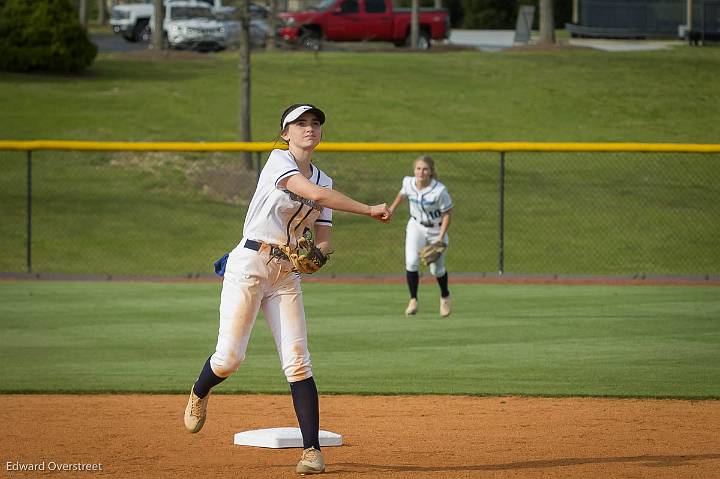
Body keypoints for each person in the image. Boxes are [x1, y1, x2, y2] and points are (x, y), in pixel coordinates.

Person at [183, 104, 391, 475]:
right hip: (249, 264)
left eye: (314, 123)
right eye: (300, 123)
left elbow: (324, 239)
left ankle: (312, 452)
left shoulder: (325, 179)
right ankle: (200, 391)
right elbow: (316, 195)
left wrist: (316, 257)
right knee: (230, 359)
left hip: (286, 273)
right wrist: (369, 208)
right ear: (285, 132)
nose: (309, 128)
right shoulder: (279, 161)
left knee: (298, 360)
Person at [388, 155, 453, 317]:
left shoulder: (439, 191)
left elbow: (447, 214)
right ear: (414, 170)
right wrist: (391, 209)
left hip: (436, 230)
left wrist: (440, 238)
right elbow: (402, 195)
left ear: (431, 172)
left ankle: (445, 296)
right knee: (411, 262)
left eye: (425, 169)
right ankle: (413, 299)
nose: (421, 172)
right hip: (416, 226)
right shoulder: (408, 182)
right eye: (418, 168)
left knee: (437, 270)